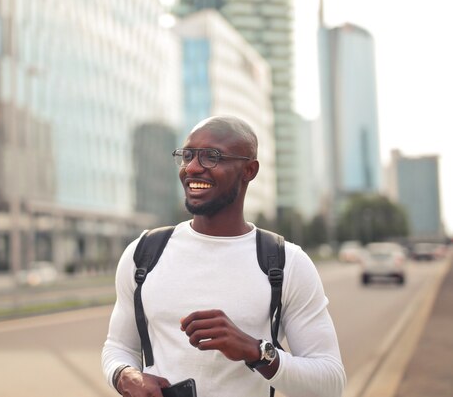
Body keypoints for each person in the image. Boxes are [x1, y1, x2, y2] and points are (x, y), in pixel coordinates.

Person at [101, 115, 346, 397]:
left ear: (249, 170)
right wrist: (124, 375)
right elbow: (118, 347)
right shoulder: (143, 253)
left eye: (211, 157)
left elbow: (330, 383)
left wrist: (256, 352)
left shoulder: (286, 263)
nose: (192, 168)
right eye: (188, 155)